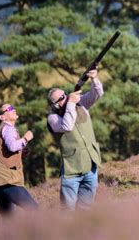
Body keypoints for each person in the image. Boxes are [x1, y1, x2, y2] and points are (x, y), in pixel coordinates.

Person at [47, 69, 103, 211]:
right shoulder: (53, 118)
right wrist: (71, 102)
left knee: (86, 207)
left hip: (91, 164)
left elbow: (97, 94)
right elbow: (67, 125)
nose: (65, 97)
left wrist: (94, 79)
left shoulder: (80, 104)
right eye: (61, 98)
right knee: (68, 210)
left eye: (64, 95)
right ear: (54, 105)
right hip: (72, 169)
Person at [0, 103, 38, 216]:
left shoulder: (3, 130)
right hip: (6, 181)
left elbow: (5, 152)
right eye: (9, 109)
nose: (13, 109)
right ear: (2, 117)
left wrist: (20, 153)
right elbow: (12, 147)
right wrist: (26, 138)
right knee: (34, 209)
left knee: (9, 221)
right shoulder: (8, 128)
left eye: (13, 107)